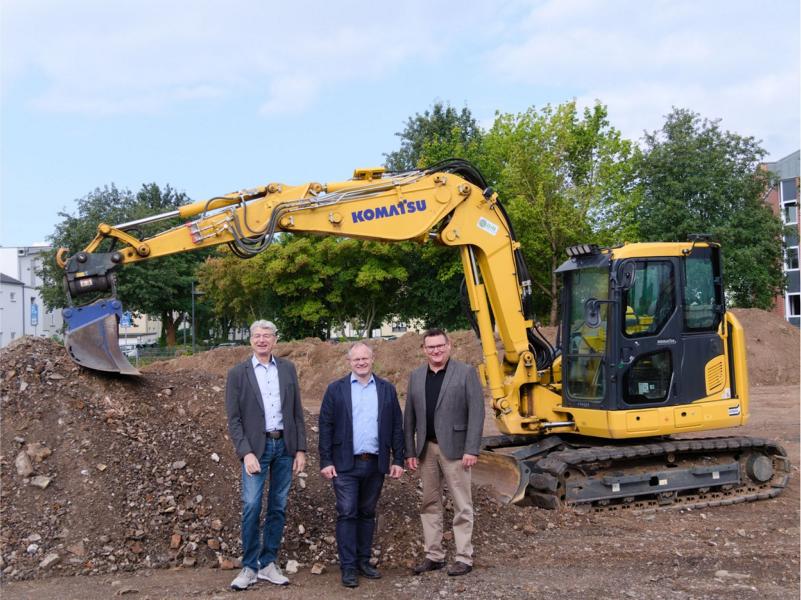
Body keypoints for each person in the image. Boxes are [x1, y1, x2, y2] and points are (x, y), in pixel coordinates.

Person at [225, 320, 307, 591]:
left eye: (267, 336)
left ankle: (268, 563)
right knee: (251, 506)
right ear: (250, 340)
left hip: (284, 447)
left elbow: (296, 412)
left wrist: (300, 449)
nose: (262, 340)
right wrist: (245, 452)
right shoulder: (238, 373)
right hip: (255, 451)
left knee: (278, 507)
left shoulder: (287, 369)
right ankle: (249, 566)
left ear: (275, 340)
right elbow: (234, 419)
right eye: (257, 336)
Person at [318, 342, 405, 588]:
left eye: (365, 358)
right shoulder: (336, 390)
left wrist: (398, 459)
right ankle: (348, 567)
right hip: (345, 464)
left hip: (375, 463)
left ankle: (363, 562)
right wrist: (325, 461)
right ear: (349, 362)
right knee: (347, 512)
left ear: (373, 359)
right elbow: (325, 427)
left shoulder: (387, 389)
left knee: (367, 513)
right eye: (356, 359)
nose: (361, 362)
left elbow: (396, 426)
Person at [404, 328, 484, 577]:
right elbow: (409, 417)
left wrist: (471, 448)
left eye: (440, 346)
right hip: (426, 449)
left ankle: (463, 557)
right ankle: (434, 555)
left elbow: (477, 412)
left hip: (457, 450)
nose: (436, 350)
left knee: (462, 504)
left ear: (449, 346)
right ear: (423, 350)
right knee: (429, 503)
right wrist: (410, 450)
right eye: (431, 347)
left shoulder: (466, 372)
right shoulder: (416, 376)